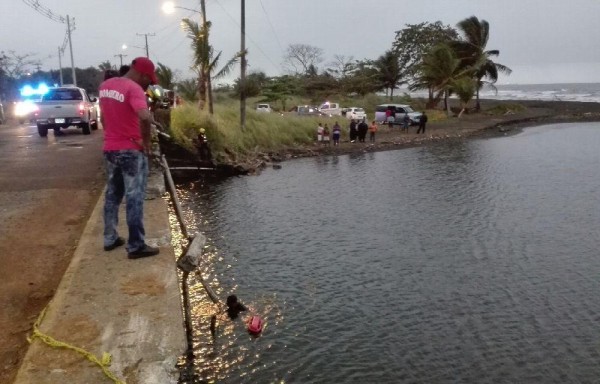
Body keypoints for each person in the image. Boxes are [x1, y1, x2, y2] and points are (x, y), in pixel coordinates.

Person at [99, 57, 160, 259]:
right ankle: (136, 245)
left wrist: (111, 136)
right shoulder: (134, 89)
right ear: (142, 74)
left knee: (113, 194)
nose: (148, 84)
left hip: (110, 149)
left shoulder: (106, 86)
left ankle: (110, 238)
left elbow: (102, 118)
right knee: (134, 196)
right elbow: (143, 116)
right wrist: (146, 142)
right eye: (148, 80)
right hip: (131, 150)